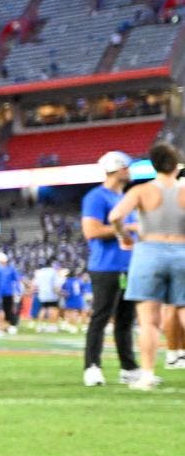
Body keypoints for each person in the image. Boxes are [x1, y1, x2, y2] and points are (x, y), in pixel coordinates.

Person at [108, 142, 185, 391]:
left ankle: (147, 374)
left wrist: (124, 236)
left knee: (148, 320)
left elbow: (115, 216)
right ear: (176, 166)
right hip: (182, 251)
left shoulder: (141, 190)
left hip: (150, 251)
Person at [81, 151, 140, 387]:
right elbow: (91, 231)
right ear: (117, 169)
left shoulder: (123, 197)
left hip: (127, 265)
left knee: (126, 319)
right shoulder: (96, 197)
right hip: (106, 266)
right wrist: (130, 227)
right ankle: (92, 366)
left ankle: (128, 366)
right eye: (127, 166)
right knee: (101, 317)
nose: (130, 170)